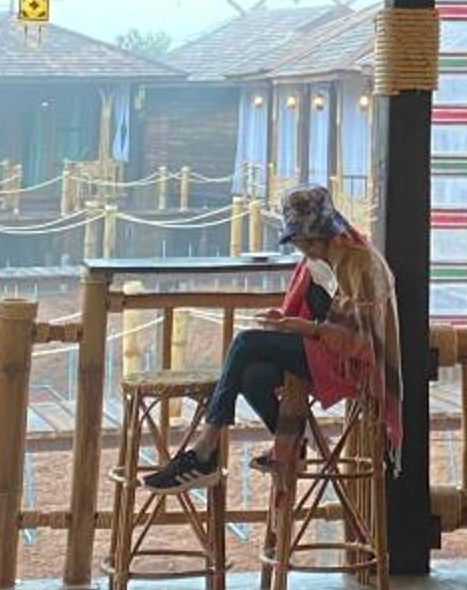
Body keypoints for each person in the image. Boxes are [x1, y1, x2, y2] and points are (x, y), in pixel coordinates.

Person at [145, 185, 399, 492]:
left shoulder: (359, 262)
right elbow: (324, 313)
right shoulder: (323, 259)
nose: (302, 249)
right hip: (322, 347)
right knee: (253, 376)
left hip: (351, 361)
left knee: (245, 343)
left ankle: (205, 450)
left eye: (302, 242)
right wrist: (289, 321)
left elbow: (363, 340)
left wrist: (305, 328)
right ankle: (294, 444)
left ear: (316, 236)